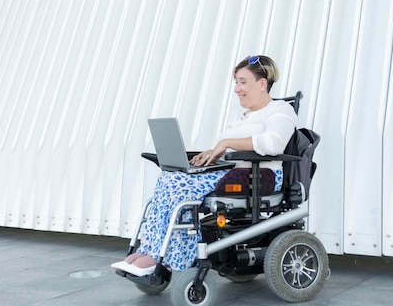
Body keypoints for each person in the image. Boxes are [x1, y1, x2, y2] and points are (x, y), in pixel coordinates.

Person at [111, 55, 298, 276]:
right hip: (230, 172)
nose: (237, 89)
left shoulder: (280, 110)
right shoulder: (241, 115)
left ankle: (174, 255)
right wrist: (211, 153)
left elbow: (274, 143)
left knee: (178, 183)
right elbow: (230, 148)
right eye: (236, 82)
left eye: (242, 82)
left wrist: (226, 143)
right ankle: (150, 249)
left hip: (259, 176)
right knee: (168, 176)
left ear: (262, 83)